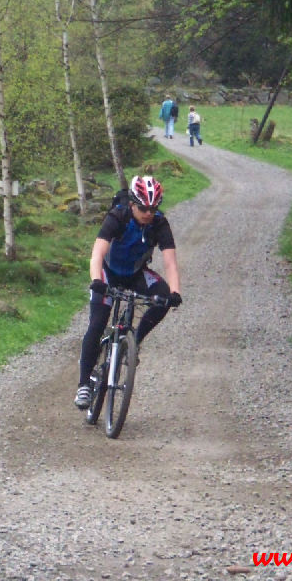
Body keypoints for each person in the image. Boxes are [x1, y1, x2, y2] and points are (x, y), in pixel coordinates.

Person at [74, 175, 182, 409]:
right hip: (108, 274)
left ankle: (134, 341)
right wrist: (96, 281)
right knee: (97, 322)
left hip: (135, 274)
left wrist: (174, 292)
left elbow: (170, 261)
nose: (148, 213)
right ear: (132, 203)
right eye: (143, 208)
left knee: (162, 297)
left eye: (153, 209)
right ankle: (84, 384)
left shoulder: (159, 223)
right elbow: (97, 254)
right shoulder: (117, 217)